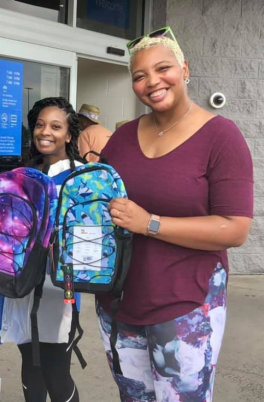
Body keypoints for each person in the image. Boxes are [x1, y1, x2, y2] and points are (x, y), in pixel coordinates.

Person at [96, 27, 253, 401]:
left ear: (184, 68)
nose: (152, 81)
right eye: (139, 75)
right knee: (134, 397)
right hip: (119, 301)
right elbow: (101, 204)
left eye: (162, 68)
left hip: (186, 304)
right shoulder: (121, 138)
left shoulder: (221, 137)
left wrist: (149, 223)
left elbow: (234, 229)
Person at [0, 97, 85, 402]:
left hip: (57, 289)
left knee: (56, 372)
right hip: (21, 282)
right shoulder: (23, 174)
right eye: (40, 124)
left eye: (56, 126)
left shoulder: (81, 177)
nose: (46, 132)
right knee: (30, 365)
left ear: (69, 134)